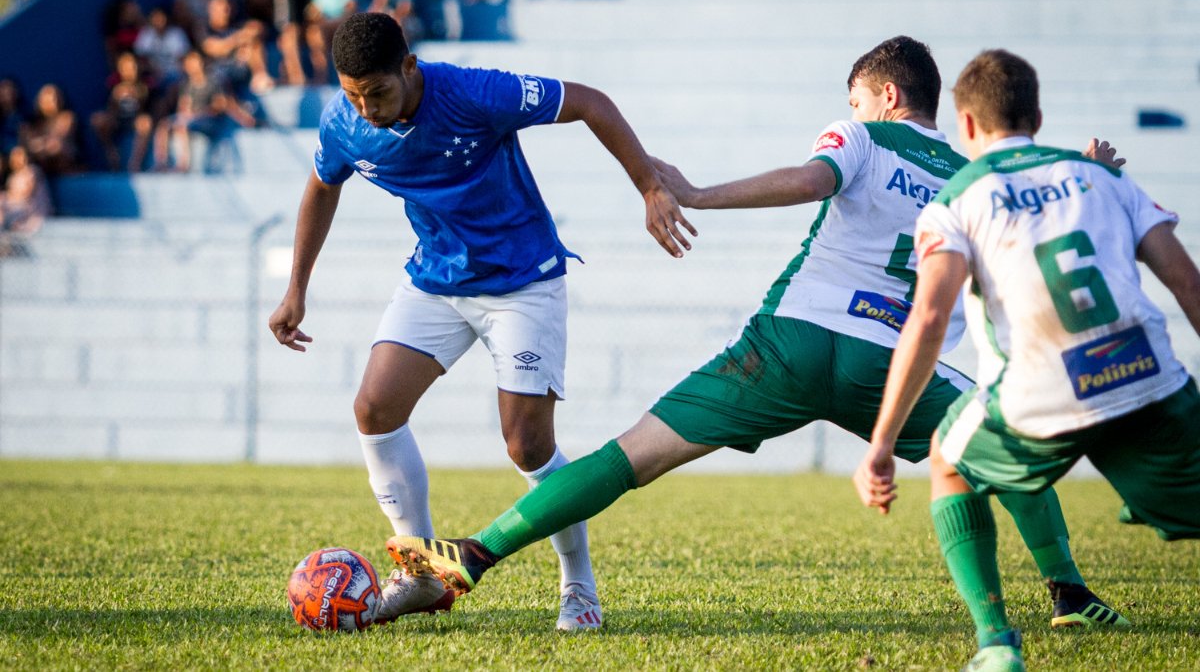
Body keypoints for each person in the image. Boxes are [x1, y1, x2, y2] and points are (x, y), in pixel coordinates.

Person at [383, 36, 1127, 632]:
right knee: (1008, 448)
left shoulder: (863, 137)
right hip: (894, 366)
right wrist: (1085, 167)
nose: (853, 109)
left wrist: (697, 191)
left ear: (887, 96)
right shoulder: (969, 175)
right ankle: (1070, 593)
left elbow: (810, 182)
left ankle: (474, 555)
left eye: (858, 98)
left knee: (630, 455)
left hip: (789, 347)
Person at [266, 12, 693, 630]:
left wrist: (650, 185)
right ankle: (419, 575)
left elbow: (592, 104)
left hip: (523, 282)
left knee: (527, 443)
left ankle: (579, 586)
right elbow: (320, 187)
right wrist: (296, 290)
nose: (365, 108)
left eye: (377, 92)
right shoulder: (344, 122)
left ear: (409, 68)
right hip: (435, 281)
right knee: (375, 408)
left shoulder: (472, 92)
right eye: (353, 93)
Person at [855, 49, 1200, 671]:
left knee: (947, 460)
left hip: (1042, 388)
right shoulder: (1107, 179)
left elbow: (929, 319)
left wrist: (880, 445)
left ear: (964, 125)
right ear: (1037, 115)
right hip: (1148, 375)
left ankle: (995, 645)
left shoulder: (958, 198)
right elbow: (1188, 285)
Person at [153, 51, 256, 172]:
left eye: (194, 62)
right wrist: (184, 115)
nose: (191, 65)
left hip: (208, 119)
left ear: (202, 62)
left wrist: (197, 115)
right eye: (189, 63)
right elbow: (184, 105)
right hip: (192, 118)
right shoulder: (186, 84)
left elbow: (220, 105)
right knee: (164, 125)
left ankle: (183, 165)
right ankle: (161, 163)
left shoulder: (213, 81)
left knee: (182, 127)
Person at [91, 52, 154, 172]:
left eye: (133, 67)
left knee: (145, 122)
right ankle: (112, 154)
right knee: (97, 119)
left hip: (135, 122)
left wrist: (138, 95)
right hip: (119, 122)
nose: (130, 71)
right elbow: (111, 110)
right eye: (126, 68)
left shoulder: (146, 87)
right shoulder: (116, 89)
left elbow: (148, 110)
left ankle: (134, 164)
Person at [0, 145, 52, 257]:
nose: (16, 159)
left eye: (19, 155)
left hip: (28, 210)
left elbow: (27, 194)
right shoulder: (12, 175)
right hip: (14, 209)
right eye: (14, 156)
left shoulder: (32, 172)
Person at [20, 83, 79, 176]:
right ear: (39, 101)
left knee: (57, 147)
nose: (52, 101)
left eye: (55, 97)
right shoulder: (31, 123)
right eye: (47, 98)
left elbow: (56, 143)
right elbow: (27, 145)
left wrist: (39, 145)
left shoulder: (67, 117)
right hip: (39, 164)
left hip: (64, 164)